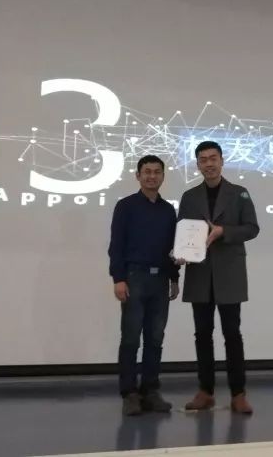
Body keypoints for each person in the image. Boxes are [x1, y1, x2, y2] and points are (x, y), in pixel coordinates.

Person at [176, 141, 260, 414]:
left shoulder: (239, 193)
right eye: (203, 159)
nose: (209, 164)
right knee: (202, 335)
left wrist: (224, 232)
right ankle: (206, 391)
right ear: (198, 164)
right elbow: (183, 232)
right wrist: (180, 252)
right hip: (199, 273)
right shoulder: (189, 196)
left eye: (213, 158)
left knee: (232, 334)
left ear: (222, 161)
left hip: (229, 273)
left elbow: (252, 228)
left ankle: (238, 394)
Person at [108, 155, 181, 416]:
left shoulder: (168, 210)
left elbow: (173, 248)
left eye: (157, 172)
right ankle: (129, 393)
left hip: (160, 280)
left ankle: (150, 391)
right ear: (138, 176)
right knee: (130, 339)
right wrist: (118, 278)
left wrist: (174, 278)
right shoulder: (126, 206)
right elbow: (116, 245)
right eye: (147, 172)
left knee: (155, 338)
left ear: (163, 176)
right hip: (134, 278)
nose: (152, 176)